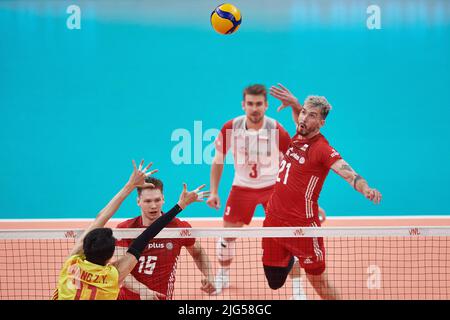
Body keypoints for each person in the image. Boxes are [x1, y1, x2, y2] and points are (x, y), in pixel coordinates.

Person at [263, 84, 382, 300]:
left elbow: (348, 172)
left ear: (321, 123)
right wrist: (294, 104)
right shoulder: (299, 134)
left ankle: (299, 255)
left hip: (303, 228)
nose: (304, 118)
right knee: (274, 281)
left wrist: (366, 189)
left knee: (319, 283)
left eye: (312, 116)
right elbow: (300, 119)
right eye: (304, 112)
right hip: (273, 221)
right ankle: (293, 257)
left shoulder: (322, 150)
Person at [206, 84, 316, 298]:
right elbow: (218, 160)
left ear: (266, 105)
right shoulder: (231, 127)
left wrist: (299, 196)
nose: (254, 108)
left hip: (273, 189)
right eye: (250, 104)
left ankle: (297, 288)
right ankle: (223, 274)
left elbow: (295, 157)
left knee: (287, 238)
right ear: (243, 105)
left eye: (258, 104)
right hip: (242, 187)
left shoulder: (276, 129)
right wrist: (214, 191)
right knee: (227, 236)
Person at [53, 160, 207, 300]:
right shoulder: (112, 277)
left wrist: (129, 185)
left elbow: (101, 217)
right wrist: (180, 205)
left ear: (84, 247)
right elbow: (147, 235)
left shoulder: (72, 263)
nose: (153, 205)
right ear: (109, 260)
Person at [116, 176, 216, 300]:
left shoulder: (178, 227)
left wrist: (210, 275)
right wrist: (143, 291)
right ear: (138, 202)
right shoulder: (125, 229)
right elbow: (120, 271)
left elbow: (198, 252)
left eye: (157, 200)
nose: (153, 206)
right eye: (147, 201)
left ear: (163, 199)